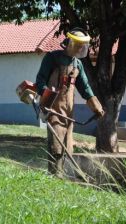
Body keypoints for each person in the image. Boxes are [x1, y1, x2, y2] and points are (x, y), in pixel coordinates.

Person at [36, 28, 104, 178]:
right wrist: (46, 97)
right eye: (77, 44)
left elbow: (85, 87)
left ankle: (62, 175)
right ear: (69, 42)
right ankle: (54, 174)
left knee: (67, 144)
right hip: (53, 107)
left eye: (82, 45)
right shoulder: (52, 58)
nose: (80, 48)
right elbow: (40, 80)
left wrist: (96, 107)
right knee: (56, 143)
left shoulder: (78, 65)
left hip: (68, 111)